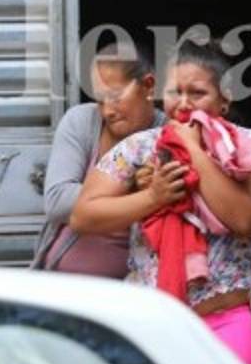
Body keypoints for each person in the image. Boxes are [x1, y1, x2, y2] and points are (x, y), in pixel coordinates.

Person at [70, 40, 251, 364]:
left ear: (224, 100)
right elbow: (84, 215)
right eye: (174, 92)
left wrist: (194, 152)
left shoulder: (248, 145)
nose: (183, 104)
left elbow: (243, 219)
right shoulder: (140, 147)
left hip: (226, 316)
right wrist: (153, 197)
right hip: (157, 323)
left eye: (197, 93)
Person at [30, 42, 165, 276]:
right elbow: (57, 201)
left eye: (115, 97)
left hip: (129, 294)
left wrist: (101, 199)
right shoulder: (82, 122)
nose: (107, 111)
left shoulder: (169, 135)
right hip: (58, 282)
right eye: (101, 100)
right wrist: (135, 189)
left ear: (148, 86)